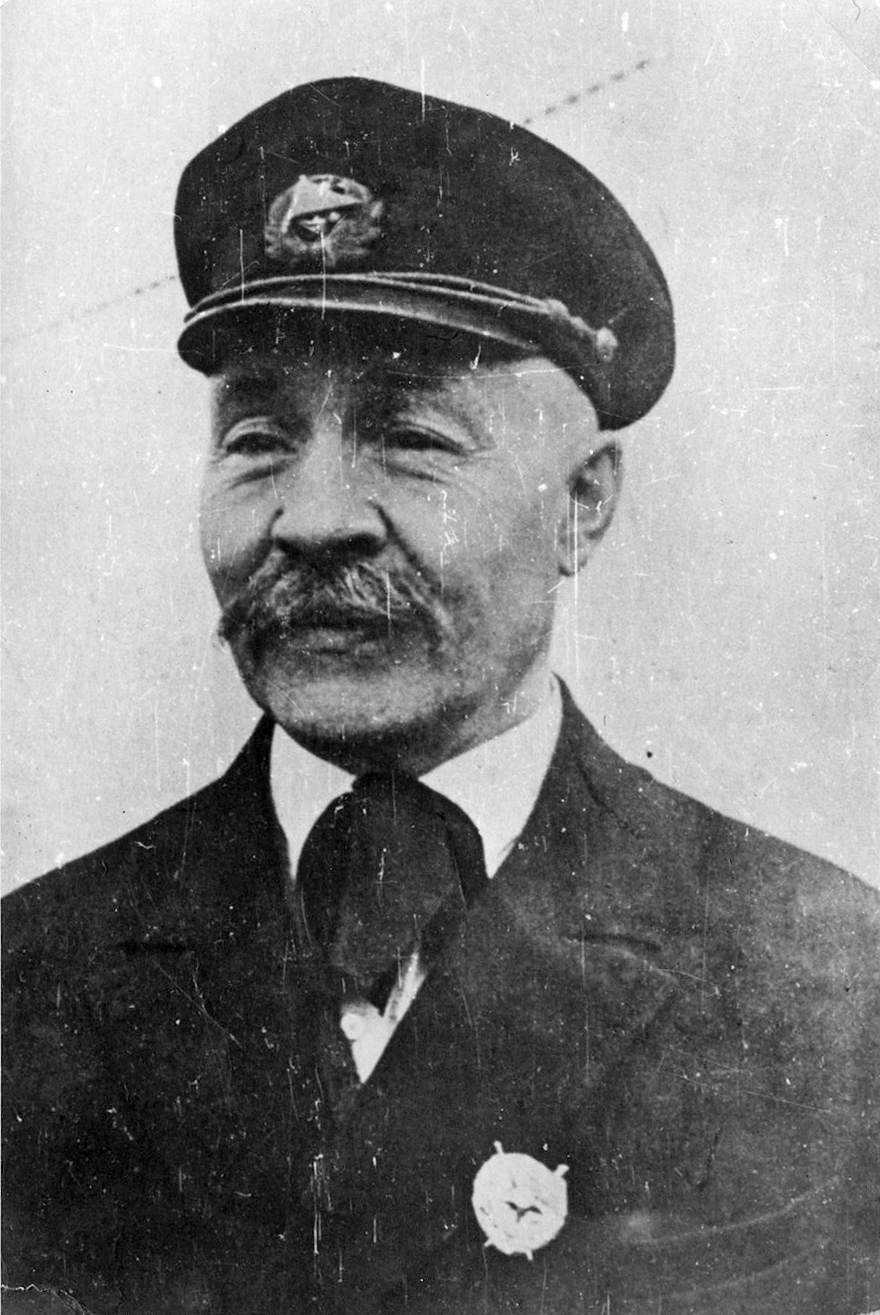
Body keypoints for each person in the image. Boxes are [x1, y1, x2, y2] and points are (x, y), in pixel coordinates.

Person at [2, 77, 877, 1315]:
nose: (311, 518)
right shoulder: (30, 978)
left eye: (411, 437)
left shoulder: (820, 982)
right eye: (256, 441)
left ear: (583, 505)